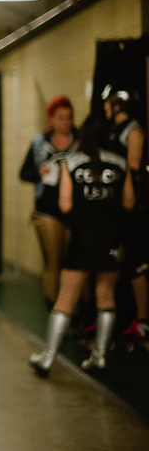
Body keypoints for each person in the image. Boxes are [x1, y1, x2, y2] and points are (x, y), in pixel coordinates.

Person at [29, 113, 133, 376]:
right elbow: (129, 203)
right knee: (106, 296)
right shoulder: (121, 164)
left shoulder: (71, 163)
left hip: (82, 239)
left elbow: (65, 205)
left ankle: (47, 358)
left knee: (66, 297)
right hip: (111, 238)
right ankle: (99, 356)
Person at [20, 96, 77, 306]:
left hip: (73, 208)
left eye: (68, 118)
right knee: (53, 261)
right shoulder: (39, 142)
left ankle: (70, 307)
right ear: (51, 119)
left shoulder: (79, 140)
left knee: (71, 261)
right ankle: (53, 306)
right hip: (47, 209)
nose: (65, 122)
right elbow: (24, 173)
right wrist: (39, 172)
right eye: (60, 118)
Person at [102, 86, 148, 344]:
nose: (106, 107)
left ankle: (142, 321)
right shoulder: (112, 130)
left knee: (134, 264)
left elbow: (133, 166)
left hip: (130, 206)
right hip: (114, 206)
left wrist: (127, 201)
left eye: (110, 103)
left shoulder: (132, 130)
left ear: (118, 105)